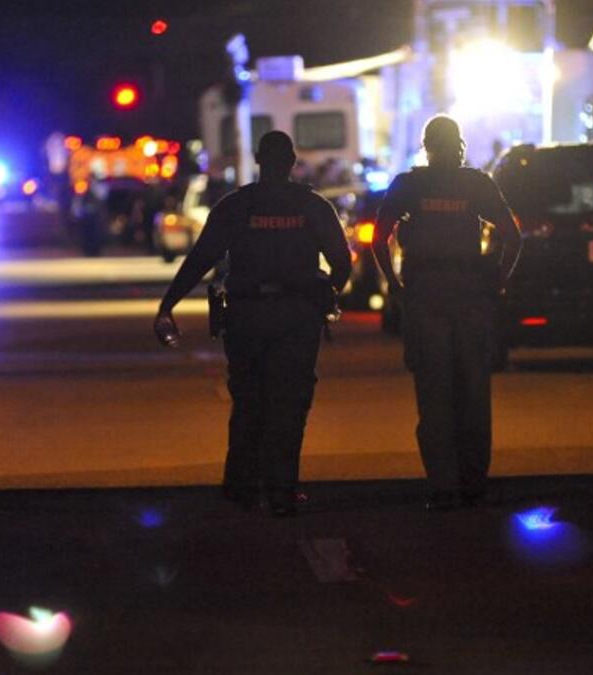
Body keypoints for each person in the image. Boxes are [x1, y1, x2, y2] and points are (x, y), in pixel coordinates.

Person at [154, 131, 351, 517]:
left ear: (258, 159)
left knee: (248, 401)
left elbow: (200, 259)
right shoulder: (312, 207)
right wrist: (325, 297)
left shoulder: (236, 206)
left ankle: (242, 487)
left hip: (247, 316)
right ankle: (281, 491)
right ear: (292, 161)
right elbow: (341, 262)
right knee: (290, 405)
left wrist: (168, 305)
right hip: (297, 317)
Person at [372, 115, 521, 511]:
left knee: (434, 395)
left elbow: (378, 237)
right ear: (459, 145)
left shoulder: (408, 185)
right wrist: (497, 282)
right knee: (473, 392)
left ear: (426, 145)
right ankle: (473, 483)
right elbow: (512, 236)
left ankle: (443, 487)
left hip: (425, 297)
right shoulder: (476, 184)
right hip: (471, 296)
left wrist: (396, 287)